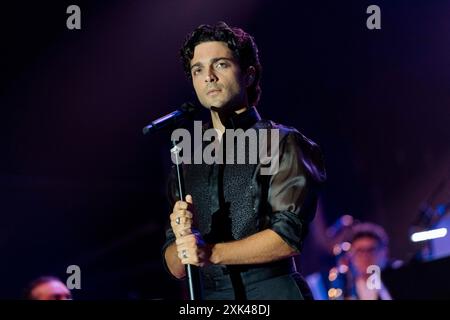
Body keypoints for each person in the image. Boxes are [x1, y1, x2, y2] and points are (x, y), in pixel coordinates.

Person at [161, 22, 326, 300]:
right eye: (197, 70)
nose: (208, 77)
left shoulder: (282, 142)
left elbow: (286, 238)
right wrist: (183, 240)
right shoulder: (187, 159)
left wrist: (210, 252)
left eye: (221, 64)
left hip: (272, 291)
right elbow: (175, 266)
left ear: (249, 75)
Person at [307, 221, 393, 300]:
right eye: (360, 251)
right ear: (351, 255)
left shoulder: (398, 282)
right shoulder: (343, 289)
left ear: (384, 252)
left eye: (371, 250)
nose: (365, 256)